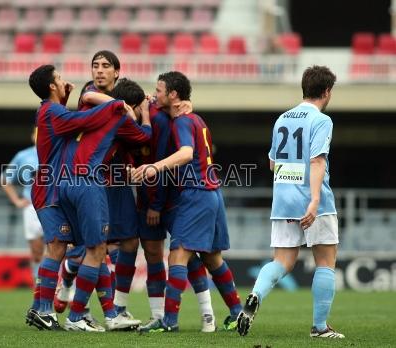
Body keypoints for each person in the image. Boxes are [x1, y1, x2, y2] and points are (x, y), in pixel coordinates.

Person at [236, 65, 344, 339]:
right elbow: (317, 159)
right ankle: (320, 328)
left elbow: (273, 163)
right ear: (327, 91)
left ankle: (256, 294)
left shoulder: (282, 118)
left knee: (282, 261)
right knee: (325, 262)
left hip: (283, 200)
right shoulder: (321, 120)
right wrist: (314, 199)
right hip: (313, 201)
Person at [132, 71, 242, 332]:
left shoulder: (182, 122)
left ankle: (169, 321)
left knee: (178, 257)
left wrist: (154, 167)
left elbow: (185, 153)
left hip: (196, 193)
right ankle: (238, 312)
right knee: (213, 259)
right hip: (213, 194)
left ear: (173, 95)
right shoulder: (196, 119)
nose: (155, 94)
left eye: (159, 90)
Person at [23, 64, 129, 331]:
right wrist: (117, 105)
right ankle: (46, 310)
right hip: (48, 188)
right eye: (58, 78)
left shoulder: (49, 110)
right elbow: (83, 121)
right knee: (59, 246)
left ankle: (42, 308)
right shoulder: (53, 111)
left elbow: (64, 126)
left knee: (76, 247)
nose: (64, 80)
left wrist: (67, 98)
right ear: (51, 86)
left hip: (55, 186)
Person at [0, 128, 44, 283]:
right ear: (32, 136)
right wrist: (17, 201)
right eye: (37, 134)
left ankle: (63, 287)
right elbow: (5, 179)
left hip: (55, 206)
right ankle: (39, 288)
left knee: (61, 248)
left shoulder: (59, 152)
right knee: (36, 250)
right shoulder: (23, 156)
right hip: (32, 207)